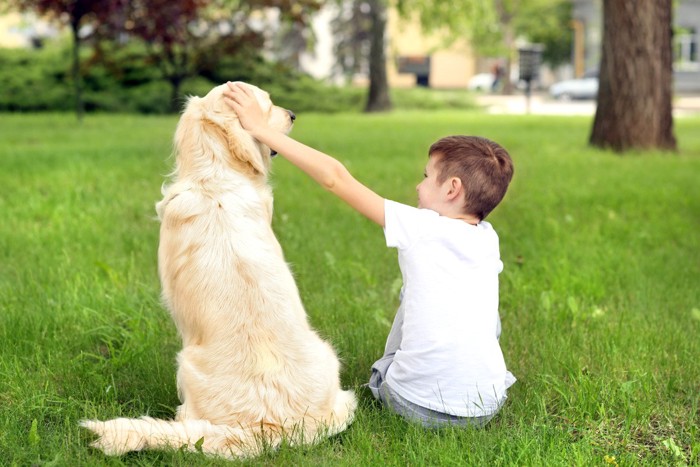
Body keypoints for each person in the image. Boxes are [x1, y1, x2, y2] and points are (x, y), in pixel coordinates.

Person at [223, 82, 516, 428]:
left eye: (426, 178)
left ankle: (393, 382)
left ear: (452, 189)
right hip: (485, 406)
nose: (418, 187)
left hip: (415, 406)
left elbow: (336, 179)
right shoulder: (487, 238)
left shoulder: (421, 227)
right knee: (472, 307)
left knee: (399, 338)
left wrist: (260, 129)